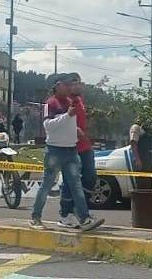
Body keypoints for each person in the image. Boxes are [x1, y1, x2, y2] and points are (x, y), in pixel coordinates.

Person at [29, 74, 103, 231]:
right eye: (67, 84)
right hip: (55, 150)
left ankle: (84, 219)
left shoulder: (71, 102)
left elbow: (68, 122)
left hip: (71, 149)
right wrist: (67, 116)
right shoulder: (51, 103)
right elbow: (48, 125)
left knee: (76, 186)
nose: (70, 87)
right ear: (57, 85)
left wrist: (75, 129)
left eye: (71, 84)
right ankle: (35, 218)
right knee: (47, 185)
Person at [60, 74, 97, 223]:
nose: (77, 85)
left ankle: (81, 210)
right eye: (73, 83)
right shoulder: (63, 102)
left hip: (85, 146)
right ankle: (65, 213)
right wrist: (74, 129)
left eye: (79, 82)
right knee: (70, 181)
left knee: (91, 177)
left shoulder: (80, 100)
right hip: (70, 147)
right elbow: (59, 121)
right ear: (67, 86)